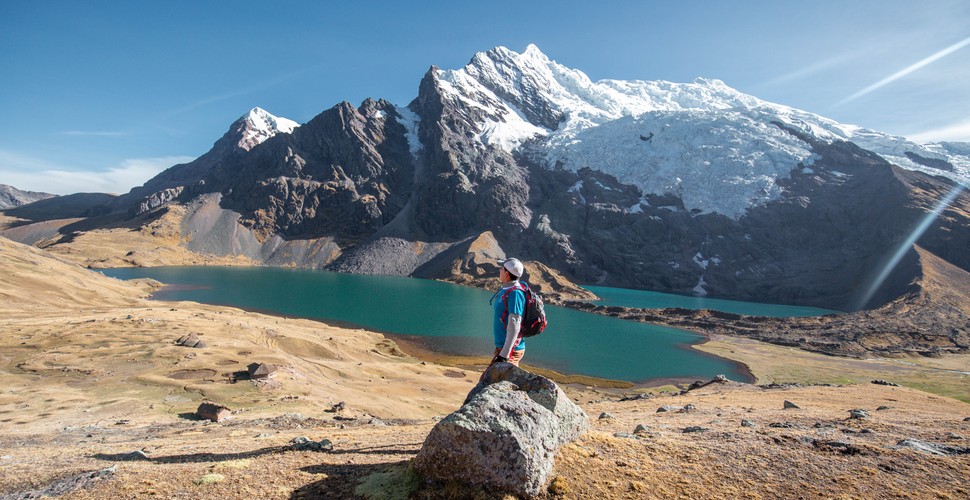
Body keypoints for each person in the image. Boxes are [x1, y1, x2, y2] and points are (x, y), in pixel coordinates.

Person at [489, 257, 527, 366]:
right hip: (503, 348)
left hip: (511, 351)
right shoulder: (506, 289)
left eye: (501, 268)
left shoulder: (515, 293)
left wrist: (504, 355)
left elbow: (515, 325)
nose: (499, 270)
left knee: (494, 381)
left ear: (507, 273)